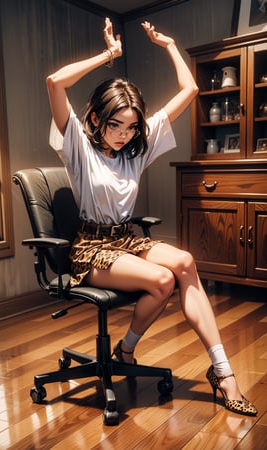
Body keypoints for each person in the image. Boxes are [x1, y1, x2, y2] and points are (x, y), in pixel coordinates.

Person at [46, 18, 257, 416]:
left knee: (185, 263)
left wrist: (171, 45)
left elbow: (191, 89)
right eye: (115, 125)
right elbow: (56, 82)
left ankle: (222, 372)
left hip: (126, 239)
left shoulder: (137, 148)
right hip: (91, 248)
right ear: (96, 120)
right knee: (163, 280)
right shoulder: (77, 144)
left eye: (131, 126)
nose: (124, 134)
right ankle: (126, 349)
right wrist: (110, 55)